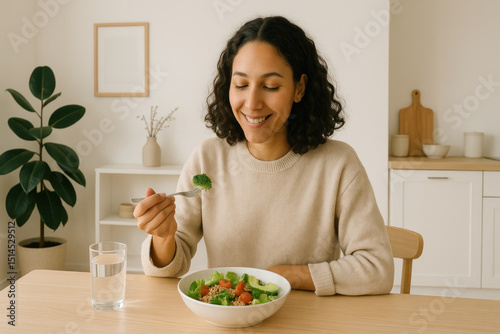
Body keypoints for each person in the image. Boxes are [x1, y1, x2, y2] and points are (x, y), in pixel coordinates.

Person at [134, 16, 394, 296]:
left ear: (299, 88)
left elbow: (377, 269)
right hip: (228, 321)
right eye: (241, 85)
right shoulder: (208, 159)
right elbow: (170, 261)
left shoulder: (338, 164)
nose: (253, 103)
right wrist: (163, 236)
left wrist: (291, 275)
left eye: (270, 86)